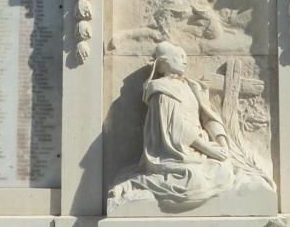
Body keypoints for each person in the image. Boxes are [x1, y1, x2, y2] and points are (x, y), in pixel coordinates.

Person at [108, 41, 271, 211]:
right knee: (196, 180)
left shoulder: (192, 86)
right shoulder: (162, 91)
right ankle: (132, 184)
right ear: (164, 63)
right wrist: (209, 149)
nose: (185, 60)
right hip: (173, 153)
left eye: (185, 57)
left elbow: (208, 116)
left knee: (224, 168)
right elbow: (176, 128)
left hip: (198, 148)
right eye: (179, 57)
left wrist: (222, 145)